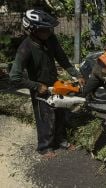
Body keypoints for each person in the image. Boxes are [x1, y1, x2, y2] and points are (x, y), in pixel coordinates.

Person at [9, 9, 85, 159]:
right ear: (33, 30)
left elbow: (62, 58)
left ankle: (61, 140)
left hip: (55, 83)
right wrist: (36, 86)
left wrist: (77, 75)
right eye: (45, 29)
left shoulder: (51, 39)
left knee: (60, 112)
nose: (49, 32)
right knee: (45, 117)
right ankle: (44, 147)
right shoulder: (25, 48)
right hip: (39, 88)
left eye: (50, 29)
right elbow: (14, 76)